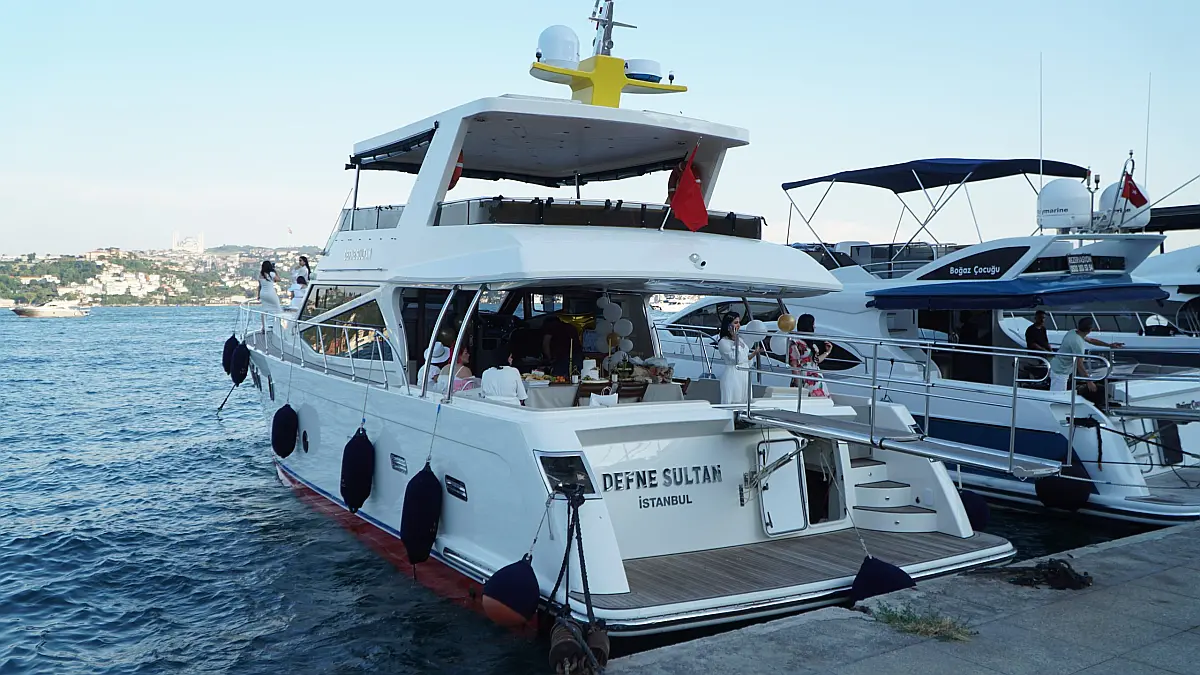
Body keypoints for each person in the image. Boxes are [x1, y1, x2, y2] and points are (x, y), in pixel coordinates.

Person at [1050, 317, 1124, 392]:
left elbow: (1091, 340)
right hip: (1060, 372)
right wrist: (1089, 382)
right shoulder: (1077, 343)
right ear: (1090, 330)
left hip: (1058, 367)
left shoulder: (1073, 332)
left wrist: (1109, 345)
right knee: (1057, 395)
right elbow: (1079, 365)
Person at [717, 311, 762, 404]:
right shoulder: (723, 342)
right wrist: (735, 339)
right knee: (734, 402)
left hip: (744, 374)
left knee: (745, 402)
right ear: (728, 325)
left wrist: (754, 353)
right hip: (733, 375)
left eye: (739, 322)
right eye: (735, 322)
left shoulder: (740, 339)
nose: (738, 325)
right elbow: (736, 359)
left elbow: (744, 358)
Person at [789, 313, 832, 396]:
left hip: (816, 376)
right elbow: (793, 364)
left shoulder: (810, 342)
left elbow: (815, 361)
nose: (814, 327)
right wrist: (798, 383)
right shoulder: (796, 342)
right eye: (813, 324)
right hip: (803, 376)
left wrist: (827, 352)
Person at [256, 260, 282, 332]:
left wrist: (258, 295)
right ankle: (278, 326)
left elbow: (259, 286)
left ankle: (264, 327)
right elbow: (279, 279)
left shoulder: (260, 275)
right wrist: (275, 271)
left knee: (264, 310)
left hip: (263, 294)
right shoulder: (271, 273)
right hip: (271, 293)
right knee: (278, 309)